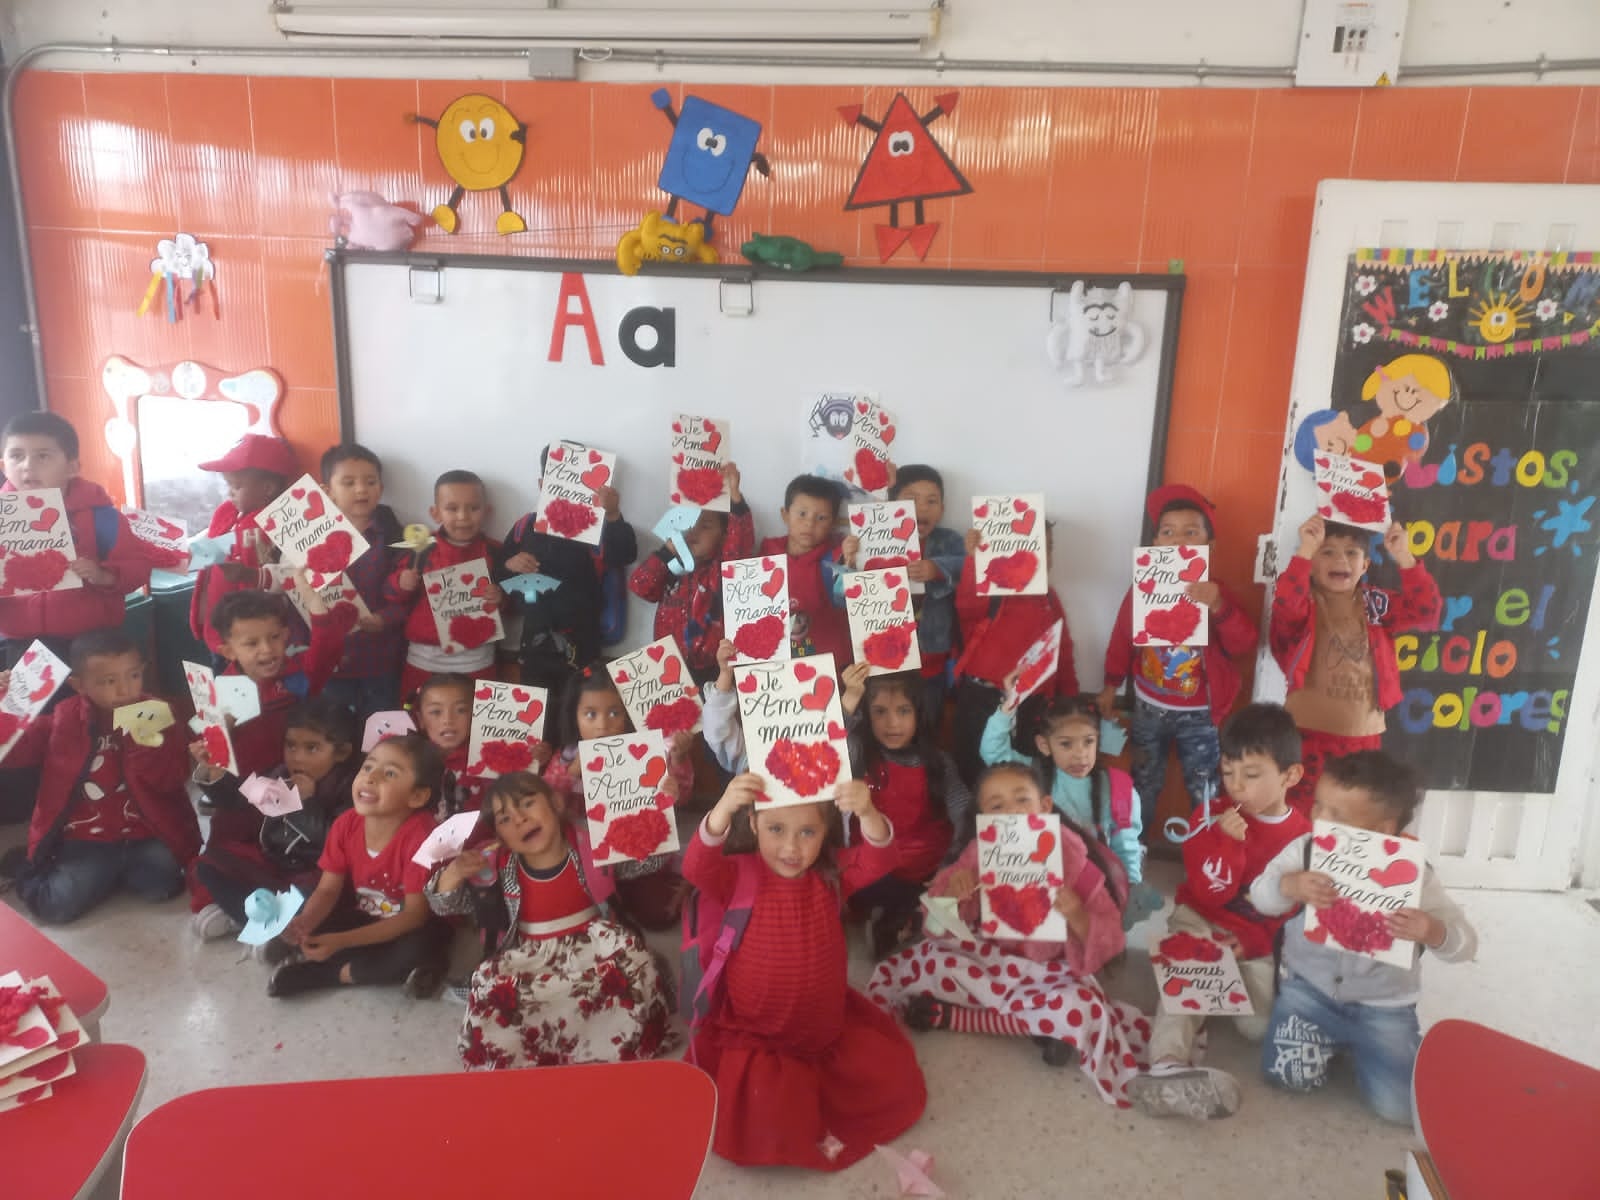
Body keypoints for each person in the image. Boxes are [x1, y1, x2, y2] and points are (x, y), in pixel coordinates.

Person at [682, 772, 925, 1170]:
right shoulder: (738, 874)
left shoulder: (831, 876)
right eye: (776, 829)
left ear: (826, 830)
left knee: (883, 1085)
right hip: (760, 1032)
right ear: (755, 822)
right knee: (763, 1120)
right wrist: (723, 808)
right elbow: (696, 866)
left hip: (821, 1026)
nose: (791, 847)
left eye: (808, 832)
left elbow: (882, 857)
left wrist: (867, 812)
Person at [868, 762, 1151, 1101]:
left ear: (1044, 806)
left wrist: (1077, 913)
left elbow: (1107, 937)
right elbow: (934, 924)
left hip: (1050, 971)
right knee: (924, 963)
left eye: (1021, 800)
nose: (1012, 813)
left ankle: (960, 1017)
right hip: (992, 961)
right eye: (997, 806)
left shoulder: (1074, 859)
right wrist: (955, 896)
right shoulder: (978, 852)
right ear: (983, 816)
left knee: (1084, 1007)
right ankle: (1021, 1025)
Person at [1253, 750, 1477, 1125]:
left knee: (1400, 1110)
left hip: (1383, 1005)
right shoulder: (1304, 850)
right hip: (1309, 992)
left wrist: (1432, 931)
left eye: (1337, 815)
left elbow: (1466, 944)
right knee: (1284, 1077)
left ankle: (1387, 1050)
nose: (1319, 819)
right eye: (1319, 806)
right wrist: (1288, 885)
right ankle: (1337, 1044)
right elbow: (1262, 897)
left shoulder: (1415, 875)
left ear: (1385, 828)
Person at [1127, 702, 1311, 1121]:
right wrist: (1227, 843)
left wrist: (1249, 944)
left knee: (1257, 1030)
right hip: (1202, 916)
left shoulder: (1304, 837)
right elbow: (1210, 894)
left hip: (1259, 935)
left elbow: (1292, 914)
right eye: (1228, 773)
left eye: (1251, 774)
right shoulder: (1208, 816)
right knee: (1186, 986)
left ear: (1290, 775)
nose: (1237, 787)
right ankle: (1167, 1063)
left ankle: (1216, 994)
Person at [427, 771, 677, 1068]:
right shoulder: (494, 867)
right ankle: (531, 1055)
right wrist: (454, 873)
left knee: (634, 961)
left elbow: (649, 862)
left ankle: (616, 1045)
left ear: (556, 803)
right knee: (492, 988)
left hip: (596, 948)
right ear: (499, 835)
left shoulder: (592, 845)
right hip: (530, 956)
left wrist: (663, 808)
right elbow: (445, 905)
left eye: (528, 803)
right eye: (504, 819)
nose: (519, 818)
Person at [4, 629, 196, 923]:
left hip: (144, 834)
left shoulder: (158, 712)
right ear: (79, 685)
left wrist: (144, 744)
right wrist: (7, 707)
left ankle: (110, 875)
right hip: (86, 840)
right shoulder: (63, 719)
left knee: (165, 886)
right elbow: (12, 752)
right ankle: (28, 866)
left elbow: (172, 779)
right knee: (54, 906)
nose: (125, 690)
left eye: (133, 675)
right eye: (109, 681)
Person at [1098, 484, 1258, 823]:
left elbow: (1243, 645)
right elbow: (1122, 639)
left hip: (1200, 714)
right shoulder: (1141, 590)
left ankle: (1208, 857)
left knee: (1205, 788)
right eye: (1168, 532)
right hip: (1148, 707)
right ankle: (1135, 852)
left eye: (1191, 532)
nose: (1178, 540)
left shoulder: (1216, 593)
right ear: (1155, 543)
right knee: (1144, 782)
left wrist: (1217, 605)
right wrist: (1111, 686)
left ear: (1209, 546)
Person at [1271, 515, 1441, 815]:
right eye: (1327, 552)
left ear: (1365, 566)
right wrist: (1305, 549)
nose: (1341, 559)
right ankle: (1298, 861)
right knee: (1300, 810)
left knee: (1352, 813)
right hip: (1306, 734)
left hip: (1364, 736)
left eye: (1352, 552)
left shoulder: (1375, 604)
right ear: (1312, 563)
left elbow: (1427, 612)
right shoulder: (1306, 603)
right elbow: (1285, 604)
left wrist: (1403, 555)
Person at [267, 733, 449, 997]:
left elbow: (414, 916)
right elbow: (328, 890)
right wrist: (304, 924)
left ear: (417, 797)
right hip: (365, 913)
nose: (371, 777)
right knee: (309, 914)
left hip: (416, 925)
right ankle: (334, 955)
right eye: (368, 766)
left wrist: (341, 941)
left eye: (389, 774)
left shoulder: (424, 838)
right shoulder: (346, 824)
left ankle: (331, 974)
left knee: (416, 948)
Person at [189, 697, 358, 942]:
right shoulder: (279, 774)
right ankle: (257, 918)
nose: (297, 758)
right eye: (291, 746)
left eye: (312, 748)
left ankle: (261, 923)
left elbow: (335, 843)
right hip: (274, 865)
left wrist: (306, 803)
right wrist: (213, 772)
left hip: (315, 875)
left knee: (317, 898)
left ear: (341, 752)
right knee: (208, 865)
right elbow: (236, 802)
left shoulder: (350, 788)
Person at [542, 665, 692, 930]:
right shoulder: (565, 757)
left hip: (637, 853)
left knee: (661, 914)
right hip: (584, 856)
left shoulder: (644, 752)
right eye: (590, 714)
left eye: (614, 713)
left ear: (627, 714)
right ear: (574, 717)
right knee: (574, 911)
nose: (603, 725)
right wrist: (573, 771)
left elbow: (680, 798)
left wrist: (677, 767)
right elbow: (545, 804)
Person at [839, 663, 971, 958]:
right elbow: (829, 740)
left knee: (948, 918)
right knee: (845, 896)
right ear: (867, 715)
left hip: (924, 872)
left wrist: (953, 865)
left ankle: (902, 920)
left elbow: (965, 814)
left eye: (903, 711)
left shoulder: (938, 763)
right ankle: (893, 918)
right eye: (880, 712)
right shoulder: (860, 753)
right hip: (873, 867)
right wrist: (851, 695)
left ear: (919, 714)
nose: (892, 723)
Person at [981, 692, 1147, 917]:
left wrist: (1130, 889)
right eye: (1066, 744)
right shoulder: (1032, 776)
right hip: (1040, 887)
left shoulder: (1117, 788)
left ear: (1098, 739)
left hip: (1096, 891)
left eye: (1088, 742)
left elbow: (1125, 846)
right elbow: (992, 752)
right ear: (1044, 745)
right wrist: (1008, 706)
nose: (1080, 754)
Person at [493, 443, 637, 692]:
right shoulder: (525, 526)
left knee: (578, 708)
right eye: (560, 484)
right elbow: (498, 573)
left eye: (579, 486)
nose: (570, 493)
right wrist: (510, 564)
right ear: (542, 486)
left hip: (583, 639)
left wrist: (612, 514)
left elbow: (625, 554)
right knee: (537, 704)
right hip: (534, 638)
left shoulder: (597, 529)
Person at [835, 464, 965, 727]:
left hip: (930, 662)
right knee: (881, 727)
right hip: (881, 662)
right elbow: (841, 598)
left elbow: (969, 568)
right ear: (893, 504)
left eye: (932, 501)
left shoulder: (948, 541)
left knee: (927, 725)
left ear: (942, 508)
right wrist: (849, 562)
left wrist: (936, 569)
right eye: (912, 499)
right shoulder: (869, 539)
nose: (922, 508)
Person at [951, 522, 1077, 786]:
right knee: (974, 775)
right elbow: (967, 605)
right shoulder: (990, 593)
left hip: (1033, 705)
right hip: (981, 700)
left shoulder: (1049, 599)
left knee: (1025, 780)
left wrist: (1071, 705)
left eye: (1048, 548)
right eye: (1032, 547)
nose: (1042, 556)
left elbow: (1062, 654)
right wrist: (975, 559)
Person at [628, 462, 753, 685]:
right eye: (688, 523)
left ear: (723, 536)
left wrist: (735, 497)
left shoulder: (722, 568)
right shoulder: (670, 567)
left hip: (714, 668)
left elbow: (740, 544)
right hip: (669, 667)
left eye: (705, 526)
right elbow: (640, 586)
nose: (694, 531)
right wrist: (667, 552)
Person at [392, 469, 503, 703]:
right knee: (416, 721)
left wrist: (500, 598)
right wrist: (402, 583)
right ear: (435, 513)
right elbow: (392, 596)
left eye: (473, 508)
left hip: (477, 659)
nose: (463, 516)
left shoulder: (495, 552)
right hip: (424, 659)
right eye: (452, 509)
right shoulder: (421, 549)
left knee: (472, 724)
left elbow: (513, 601)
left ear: (486, 512)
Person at [187, 432, 298, 659]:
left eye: (237, 486)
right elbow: (207, 557)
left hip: (253, 638)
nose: (229, 492)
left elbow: (283, 578)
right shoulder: (225, 513)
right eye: (228, 484)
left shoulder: (278, 522)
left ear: (267, 488)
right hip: (216, 630)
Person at [319, 443, 408, 717]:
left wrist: (385, 618)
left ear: (380, 489)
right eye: (349, 482)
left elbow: (408, 598)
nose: (361, 489)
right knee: (333, 731)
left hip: (380, 658)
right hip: (331, 660)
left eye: (370, 482)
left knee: (378, 731)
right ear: (327, 491)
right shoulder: (312, 537)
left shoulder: (395, 536)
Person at [760, 474, 849, 662]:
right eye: (802, 514)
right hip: (775, 669)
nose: (810, 523)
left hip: (828, 666)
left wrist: (850, 558)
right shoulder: (766, 553)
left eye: (821, 518)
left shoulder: (837, 558)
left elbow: (850, 593)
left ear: (833, 523)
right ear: (785, 515)